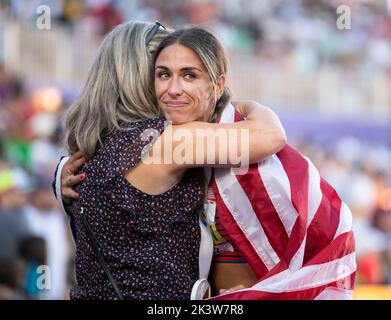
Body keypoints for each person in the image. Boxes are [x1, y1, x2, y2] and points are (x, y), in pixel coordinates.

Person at [58, 25, 357, 300]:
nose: (171, 87)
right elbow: (269, 136)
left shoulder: (88, 153)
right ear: (138, 75)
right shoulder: (165, 141)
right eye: (161, 72)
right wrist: (246, 105)